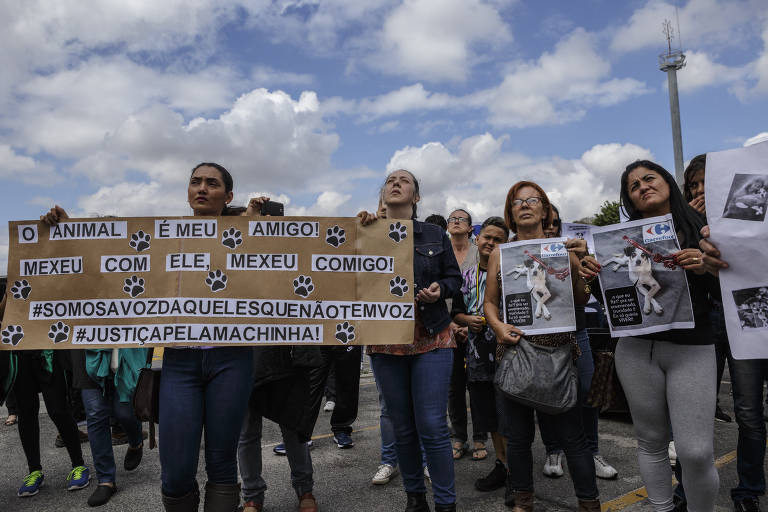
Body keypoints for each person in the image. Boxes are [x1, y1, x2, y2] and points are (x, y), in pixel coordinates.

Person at [581, 160, 719, 512]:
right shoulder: (619, 241)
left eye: (648, 178)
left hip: (692, 347)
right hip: (636, 349)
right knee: (651, 441)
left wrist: (706, 268)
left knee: (696, 451)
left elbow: (727, 293)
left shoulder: (703, 228)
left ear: (668, 182)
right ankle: (661, 508)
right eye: (633, 186)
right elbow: (616, 303)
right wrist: (594, 277)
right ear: (629, 199)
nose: (642, 186)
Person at [484, 181, 600, 512]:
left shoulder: (563, 249)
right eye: (517, 202)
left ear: (545, 210)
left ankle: (589, 504)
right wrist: (498, 326)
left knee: (573, 438)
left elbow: (581, 299)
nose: (525, 205)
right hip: (515, 353)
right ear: (510, 213)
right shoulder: (500, 254)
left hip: (559, 355)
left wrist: (583, 265)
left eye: (532, 200)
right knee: (518, 438)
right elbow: (489, 303)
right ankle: (523, 502)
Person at [359, 169, 462, 512]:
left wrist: (440, 290)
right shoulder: (366, 231)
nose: (396, 183)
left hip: (431, 336)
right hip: (386, 340)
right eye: (390, 180)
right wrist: (360, 232)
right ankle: (415, 499)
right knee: (402, 427)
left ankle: (446, 504)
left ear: (415, 197)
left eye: (404, 181)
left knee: (432, 425)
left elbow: (454, 278)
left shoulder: (434, 234)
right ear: (383, 194)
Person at [158, 163, 255, 511]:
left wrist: (364, 228)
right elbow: (102, 259)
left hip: (232, 357)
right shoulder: (163, 239)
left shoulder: (250, 238)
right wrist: (62, 232)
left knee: (222, 461)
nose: (201, 188)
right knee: (176, 470)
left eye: (211, 183)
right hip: (179, 360)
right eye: (195, 182)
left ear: (228, 196)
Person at [4, 212, 92, 498]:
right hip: (20, 356)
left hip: (48, 353)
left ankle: (78, 465)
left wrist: (63, 228)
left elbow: (80, 266)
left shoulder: (57, 278)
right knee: (27, 414)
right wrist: (11, 287)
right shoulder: (16, 278)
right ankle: (34, 471)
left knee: (57, 410)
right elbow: (3, 313)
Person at [538, 205, 618, 481]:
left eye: (554, 224)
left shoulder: (571, 252)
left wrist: (581, 263)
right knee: (546, 395)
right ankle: (553, 451)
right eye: (545, 224)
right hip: (542, 335)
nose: (550, 228)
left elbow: (584, 296)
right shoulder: (522, 252)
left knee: (586, 390)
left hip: (577, 329)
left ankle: (591, 451)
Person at [451, 216, 509, 491]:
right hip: (477, 355)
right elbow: (455, 312)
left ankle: (517, 473)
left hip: (507, 350)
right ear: (477, 239)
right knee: (489, 414)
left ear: (505, 245)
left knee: (510, 412)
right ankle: (502, 465)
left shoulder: (511, 273)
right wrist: (467, 320)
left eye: (498, 239)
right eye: (487, 237)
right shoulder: (465, 276)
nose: (491, 243)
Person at [238, 343, 322, 512]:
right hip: (245, 355)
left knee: (293, 426)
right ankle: (252, 497)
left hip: (284, 354)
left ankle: (304, 490)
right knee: (247, 431)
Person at [683, 154, 732, 424]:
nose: (700, 191)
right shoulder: (684, 220)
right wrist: (689, 220)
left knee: (747, 401)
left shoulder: (735, 217)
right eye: (694, 185)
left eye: (705, 183)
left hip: (735, 310)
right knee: (705, 383)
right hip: (708, 312)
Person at [444, 208, 486, 460]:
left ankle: (480, 437)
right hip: (445, 327)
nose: (456, 221)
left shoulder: (479, 252)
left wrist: (469, 324)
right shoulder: (441, 252)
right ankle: (459, 437)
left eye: (461, 219)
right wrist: (450, 324)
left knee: (478, 386)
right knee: (454, 387)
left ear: (470, 228)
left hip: (478, 327)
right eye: (452, 219)